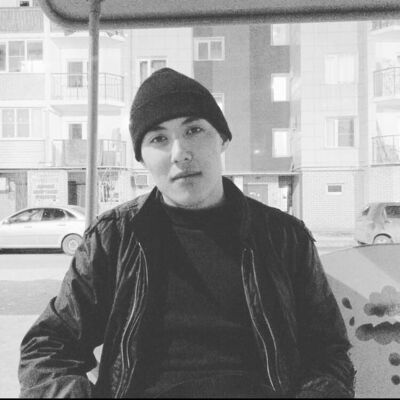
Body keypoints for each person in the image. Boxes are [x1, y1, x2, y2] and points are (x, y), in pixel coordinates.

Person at [19, 68, 355, 398]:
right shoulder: (113, 239)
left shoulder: (284, 238)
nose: (180, 153)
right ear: (142, 158)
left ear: (222, 139)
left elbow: (328, 353)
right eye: (159, 139)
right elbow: (47, 348)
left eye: (194, 130)